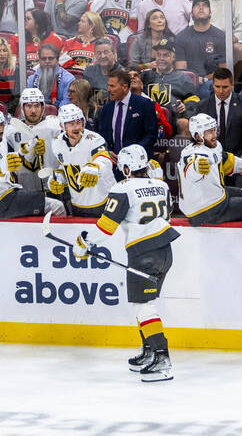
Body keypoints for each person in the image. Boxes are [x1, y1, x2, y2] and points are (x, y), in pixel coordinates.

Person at [68, 144, 176, 382]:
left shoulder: (123, 188)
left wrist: (85, 242)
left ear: (126, 168)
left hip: (143, 253)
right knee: (144, 303)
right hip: (165, 251)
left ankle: (162, 358)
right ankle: (149, 352)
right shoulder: (161, 185)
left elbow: (107, 226)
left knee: (143, 305)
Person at [0, 105, 66, 219]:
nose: (0, 130)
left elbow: (8, 160)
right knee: (57, 206)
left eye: (1, 125)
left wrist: (27, 150)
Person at [95, 68, 158, 155]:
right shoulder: (106, 108)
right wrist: (108, 151)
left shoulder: (144, 104)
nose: (108, 89)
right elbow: (101, 136)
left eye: (112, 86)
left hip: (137, 161)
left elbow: (151, 135)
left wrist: (134, 152)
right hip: (112, 162)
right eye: (108, 85)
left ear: (124, 87)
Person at [28, 42, 77, 107]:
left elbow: (66, 104)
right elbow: (28, 102)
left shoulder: (68, 79)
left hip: (59, 114)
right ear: (39, 60)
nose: (47, 61)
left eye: (50, 58)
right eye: (43, 58)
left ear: (57, 59)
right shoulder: (32, 79)